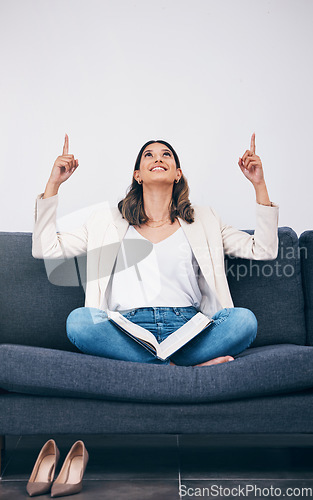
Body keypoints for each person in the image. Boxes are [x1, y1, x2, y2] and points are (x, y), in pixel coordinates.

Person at [32, 133, 279, 367]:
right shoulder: (104, 222)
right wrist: (54, 183)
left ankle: (152, 368)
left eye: (166, 155)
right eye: (149, 155)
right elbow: (46, 248)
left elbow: (263, 249)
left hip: (189, 331)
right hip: (127, 330)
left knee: (244, 320)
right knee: (80, 322)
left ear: (178, 174)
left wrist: (259, 184)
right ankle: (177, 369)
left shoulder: (205, 220)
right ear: (137, 175)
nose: (158, 158)